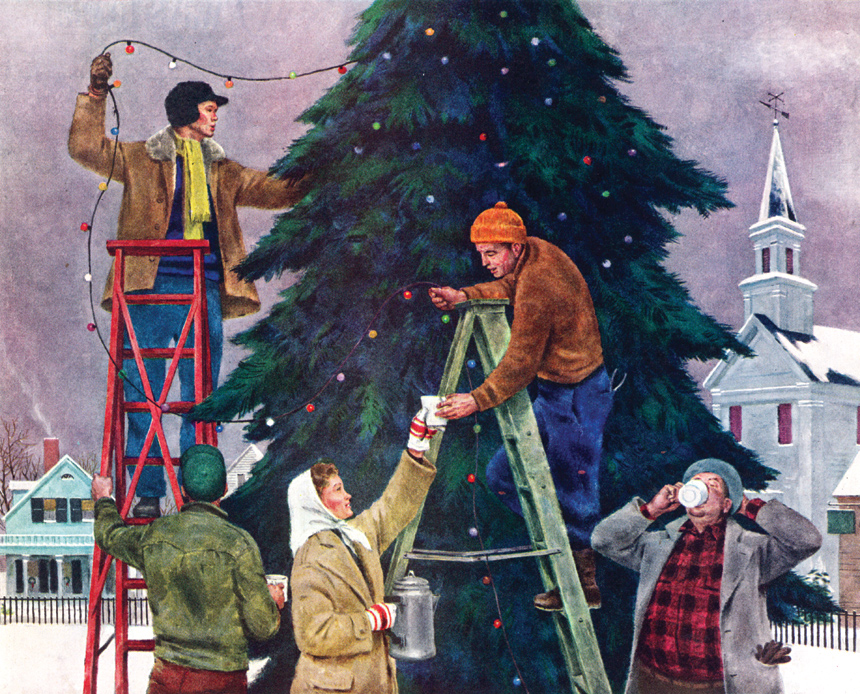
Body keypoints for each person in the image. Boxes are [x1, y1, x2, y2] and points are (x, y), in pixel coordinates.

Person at [70, 53, 309, 518]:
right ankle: (148, 491)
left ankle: (198, 492)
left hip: (204, 291)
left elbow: (277, 190)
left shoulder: (224, 169)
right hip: (145, 290)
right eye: (208, 108)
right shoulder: (140, 157)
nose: (215, 114)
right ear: (186, 114)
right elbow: (86, 148)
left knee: (202, 398)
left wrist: (321, 164)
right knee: (143, 391)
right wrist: (96, 95)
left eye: (215, 109)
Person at [429, 201, 612, 609]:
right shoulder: (530, 256)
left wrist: (476, 400)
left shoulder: (541, 281)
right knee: (501, 476)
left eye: (491, 253)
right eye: (481, 254)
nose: (485, 261)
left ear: (514, 247)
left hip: (581, 393)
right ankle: (557, 552)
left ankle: (583, 586)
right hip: (553, 392)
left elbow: (521, 361)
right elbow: (509, 287)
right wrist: (465, 295)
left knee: (576, 489)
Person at [591, 458, 822, 694]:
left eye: (713, 485)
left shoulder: (752, 550)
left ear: (726, 504)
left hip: (717, 686)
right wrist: (653, 509)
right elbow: (603, 540)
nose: (701, 489)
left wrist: (748, 508)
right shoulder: (658, 544)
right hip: (652, 680)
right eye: (695, 483)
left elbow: (807, 540)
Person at [92, 444, 284, 694]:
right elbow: (263, 626)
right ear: (224, 489)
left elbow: (110, 535)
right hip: (224, 682)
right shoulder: (240, 544)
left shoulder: (155, 535)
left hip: (168, 678)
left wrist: (104, 500)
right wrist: (272, 601)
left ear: (183, 490)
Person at [287, 409, 439, 694]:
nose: (348, 496)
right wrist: (370, 620)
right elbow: (313, 634)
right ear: (317, 504)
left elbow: (392, 507)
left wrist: (415, 449)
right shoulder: (309, 559)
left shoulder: (355, 535)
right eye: (337, 490)